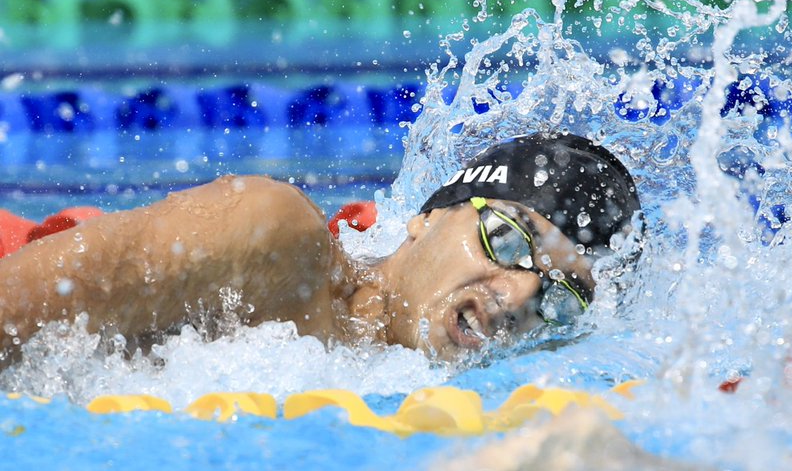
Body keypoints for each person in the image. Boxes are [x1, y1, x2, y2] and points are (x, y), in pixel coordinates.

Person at [0, 132, 642, 368]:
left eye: (559, 298)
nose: (518, 298)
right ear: (425, 219)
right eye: (509, 241)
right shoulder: (271, 239)